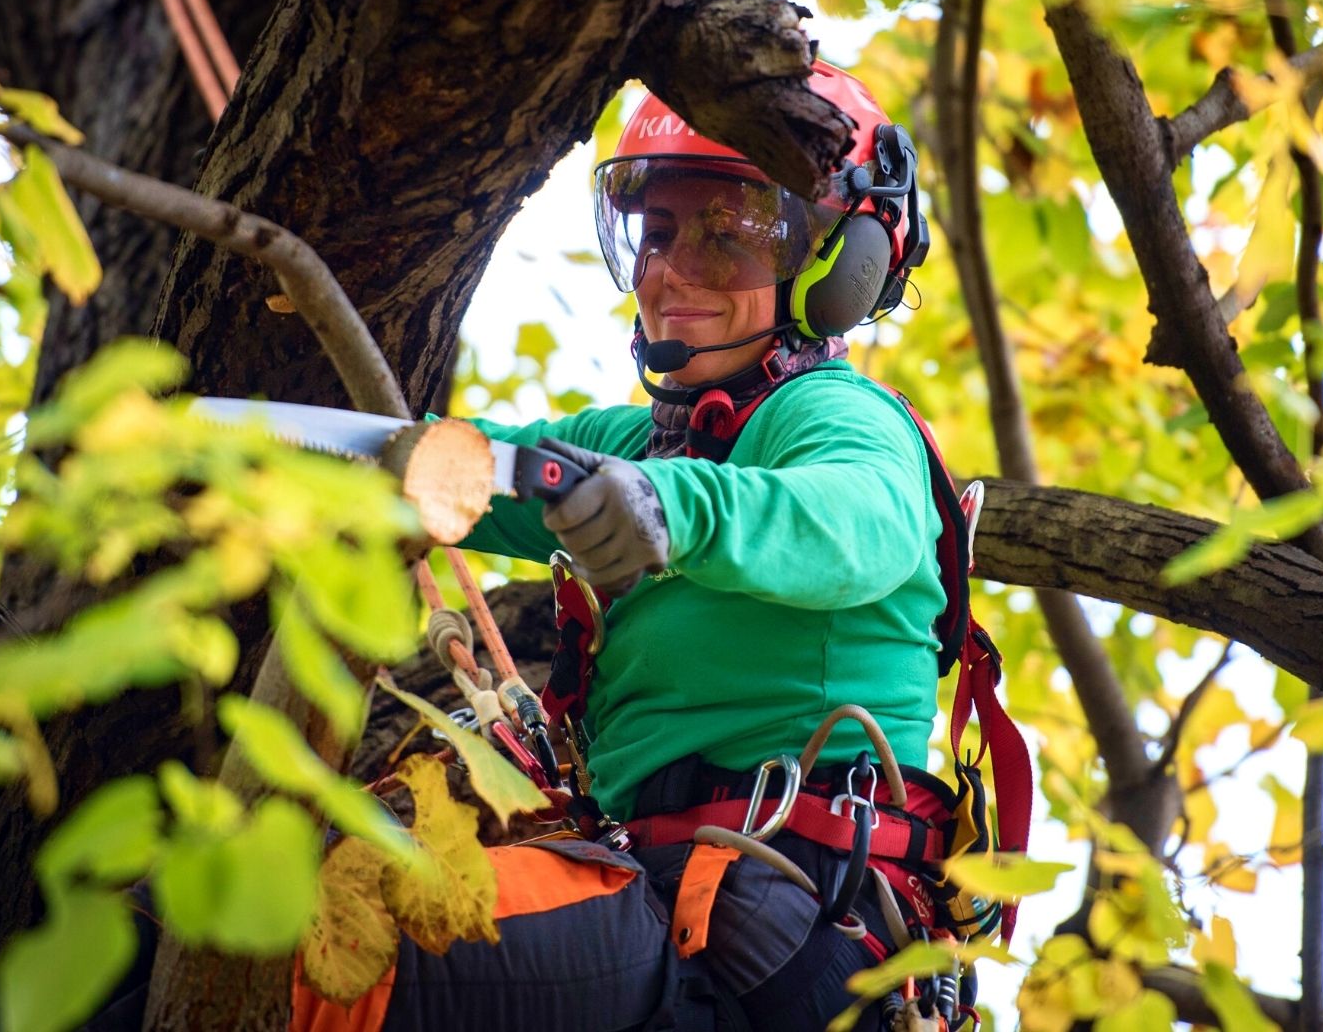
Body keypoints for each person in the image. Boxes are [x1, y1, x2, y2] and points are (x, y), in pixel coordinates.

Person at [288, 60, 996, 1032]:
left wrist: (670, 509)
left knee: (328, 958)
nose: (668, 273)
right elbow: (478, 470)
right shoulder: (641, 442)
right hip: (654, 906)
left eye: (727, 237)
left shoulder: (836, 414)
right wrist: (333, 462)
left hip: (772, 928)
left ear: (839, 270)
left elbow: (859, 526)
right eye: (654, 236)